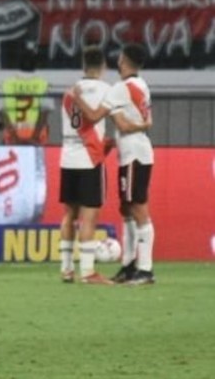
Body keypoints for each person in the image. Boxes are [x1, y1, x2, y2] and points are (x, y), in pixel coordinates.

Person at [73, 43, 154, 284]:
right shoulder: (141, 85)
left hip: (134, 154)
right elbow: (137, 120)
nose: (117, 61)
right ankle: (129, 265)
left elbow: (96, 116)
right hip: (134, 152)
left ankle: (145, 269)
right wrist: (141, 125)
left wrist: (78, 99)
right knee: (126, 209)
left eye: (120, 57)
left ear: (124, 60)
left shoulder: (121, 88)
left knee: (138, 209)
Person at [56, 47, 113, 285]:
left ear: (83, 65)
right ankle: (88, 272)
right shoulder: (108, 91)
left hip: (68, 157)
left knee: (70, 214)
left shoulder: (69, 93)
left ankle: (66, 269)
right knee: (89, 217)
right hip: (89, 159)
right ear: (103, 67)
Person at [0, 49, 52, 145]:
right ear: (36, 63)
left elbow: (3, 113)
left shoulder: (7, 83)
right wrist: (34, 137)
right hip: (37, 139)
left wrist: (15, 137)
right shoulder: (43, 83)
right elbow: (44, 113)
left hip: (13, 139)